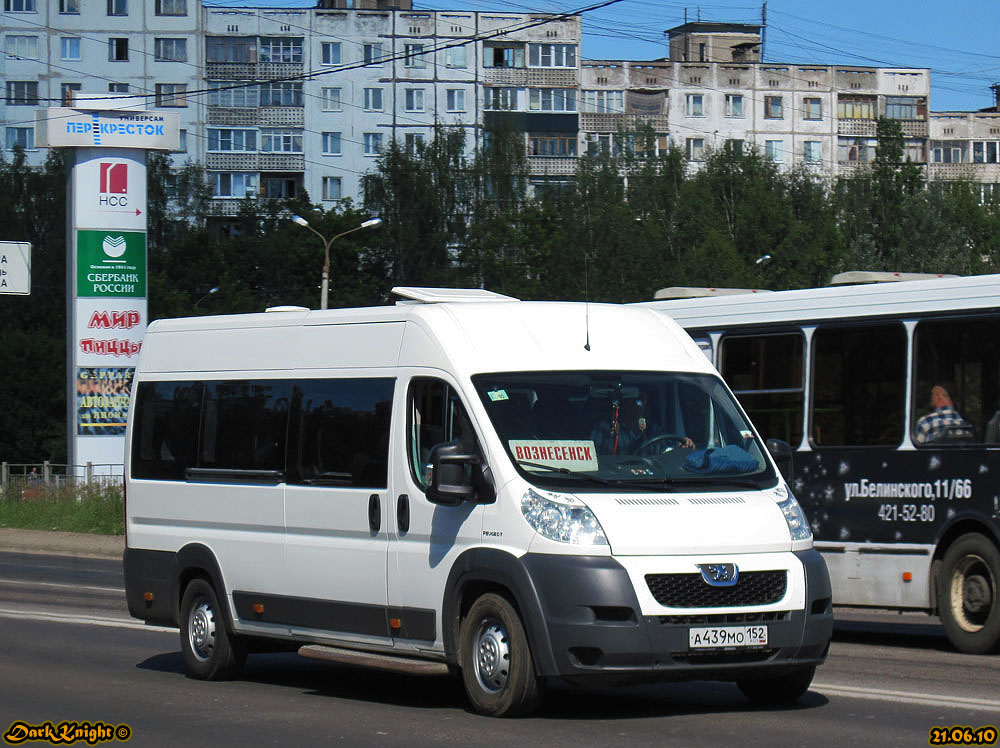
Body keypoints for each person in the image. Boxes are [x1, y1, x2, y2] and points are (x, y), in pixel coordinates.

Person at [590, 393, 694, 456]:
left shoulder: (652, 429)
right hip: (611, 485)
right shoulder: (603, 429)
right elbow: (592, 464)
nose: (639, 401)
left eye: (643, 396)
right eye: (634, 396)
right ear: (622, 400)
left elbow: (669, 450)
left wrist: (683, 445)